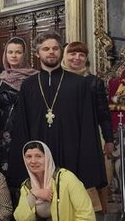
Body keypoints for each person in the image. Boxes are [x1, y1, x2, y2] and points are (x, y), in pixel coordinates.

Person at [8, 31, 106, 192]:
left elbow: (88, 124)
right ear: (37, 53)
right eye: (46, 49)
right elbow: (22, 126)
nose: (51, 52)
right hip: (39, 152)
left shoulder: (79, 84)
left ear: (61, 51)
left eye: (55, 48)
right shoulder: (29, 85)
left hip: (71, 151)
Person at [61, 41, 114, 212]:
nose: (77, 58)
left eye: (81, 55)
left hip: (89, 136)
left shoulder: (94, 82)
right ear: (65, 56)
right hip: (63, 135)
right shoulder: (56, 79)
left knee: (91, 174)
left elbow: (103, 114)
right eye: (72, 54)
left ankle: (92, 210)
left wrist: (109, 139)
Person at [0, 37, 38, 190]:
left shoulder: (35, 78)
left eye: (18, 52)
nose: (14, 56)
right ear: (5, 55)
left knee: (26, 171)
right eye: (10, 52)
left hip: (26, 132)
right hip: (1, 135)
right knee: (3, 175)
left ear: (25, 54)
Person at [13, 141, 94, 221]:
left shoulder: (67, 178)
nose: (33, 161)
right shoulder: (27, 186)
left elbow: (86, 216)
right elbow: (20, 218)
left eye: (38, 156)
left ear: (47, 158)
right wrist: (33, 195)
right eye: (29, 156)